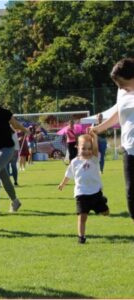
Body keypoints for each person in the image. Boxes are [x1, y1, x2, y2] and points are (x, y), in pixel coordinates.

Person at [90, 57, 134, 222]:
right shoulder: (122, 92)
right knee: (131, 194)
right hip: (130, 149)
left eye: (121, 82)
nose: (119, 87)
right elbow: (118, 114)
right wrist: (99, 128)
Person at [58, 132, 109, 244]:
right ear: (77, 147)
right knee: (82, 216)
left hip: (95, 193)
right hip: (81, 194)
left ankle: (103, 201)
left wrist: (94, 137)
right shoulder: (74, 162)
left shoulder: (94, 159)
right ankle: (81, 237)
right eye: (83, 148)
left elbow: (95, 149)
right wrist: (62, 184)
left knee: (106, 212)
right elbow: (68, 175)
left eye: (89, 148)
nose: (87, 151)